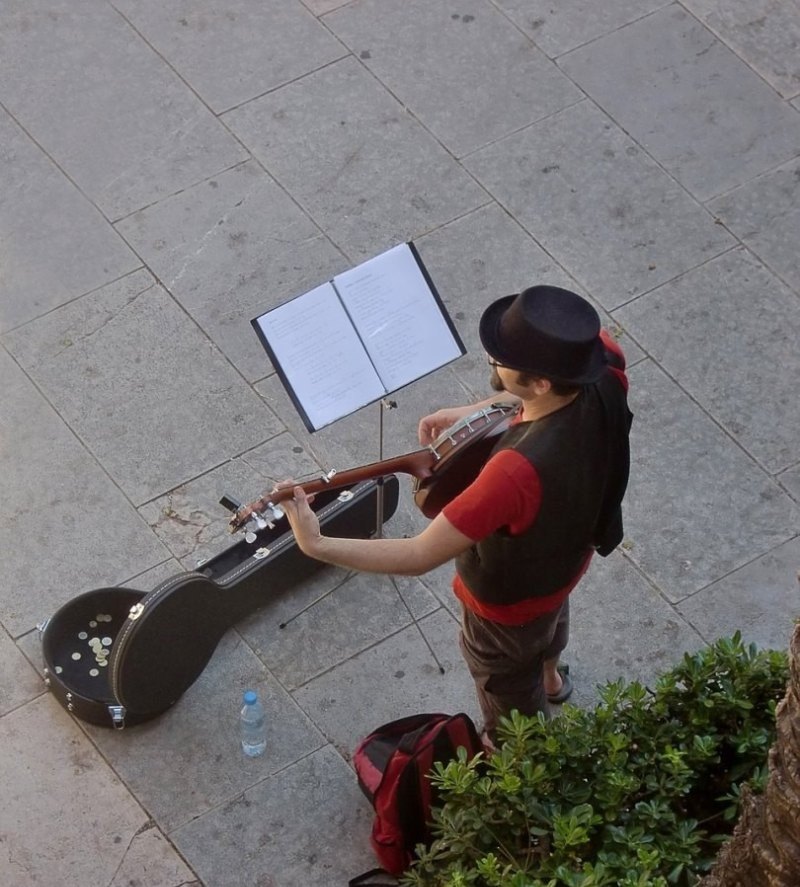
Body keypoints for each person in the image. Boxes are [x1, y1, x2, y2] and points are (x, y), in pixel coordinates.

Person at [281, 285, 632, 749]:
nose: (492, 359)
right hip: (571, 555)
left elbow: (419, 552)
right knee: (549, 622)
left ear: (542, 381)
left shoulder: (512, 473)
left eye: (499, 361)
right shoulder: (604, 363)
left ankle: (525, 750)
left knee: (506, 687)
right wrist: (476, 411)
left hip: (505, 608)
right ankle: (550, 677)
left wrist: (316, 544)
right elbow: (539, 403)